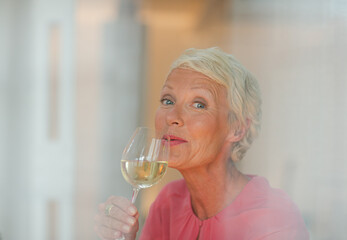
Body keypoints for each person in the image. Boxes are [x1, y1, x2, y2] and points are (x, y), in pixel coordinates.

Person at [94, 47, 309, 240]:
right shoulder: (168, 203)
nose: (172, 117)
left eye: (199, 104)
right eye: (168, 101)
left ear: (237, 128)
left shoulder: (274, 220)